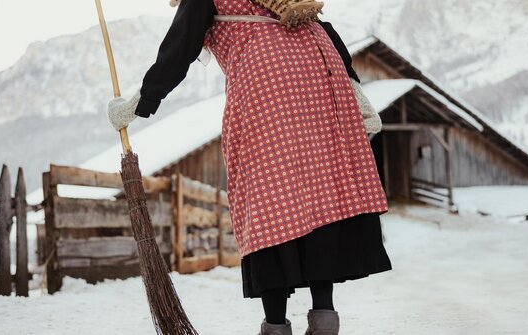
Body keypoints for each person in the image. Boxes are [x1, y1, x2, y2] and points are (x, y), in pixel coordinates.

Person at [107, 1, 392, 334]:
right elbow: (319, 26)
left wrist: (141, 101)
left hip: (265, 81)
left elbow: (181, 43)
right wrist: (354, 86)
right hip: (320, 71)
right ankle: (324, 316)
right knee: (321, 194)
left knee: (269, 201)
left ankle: (275, 325)